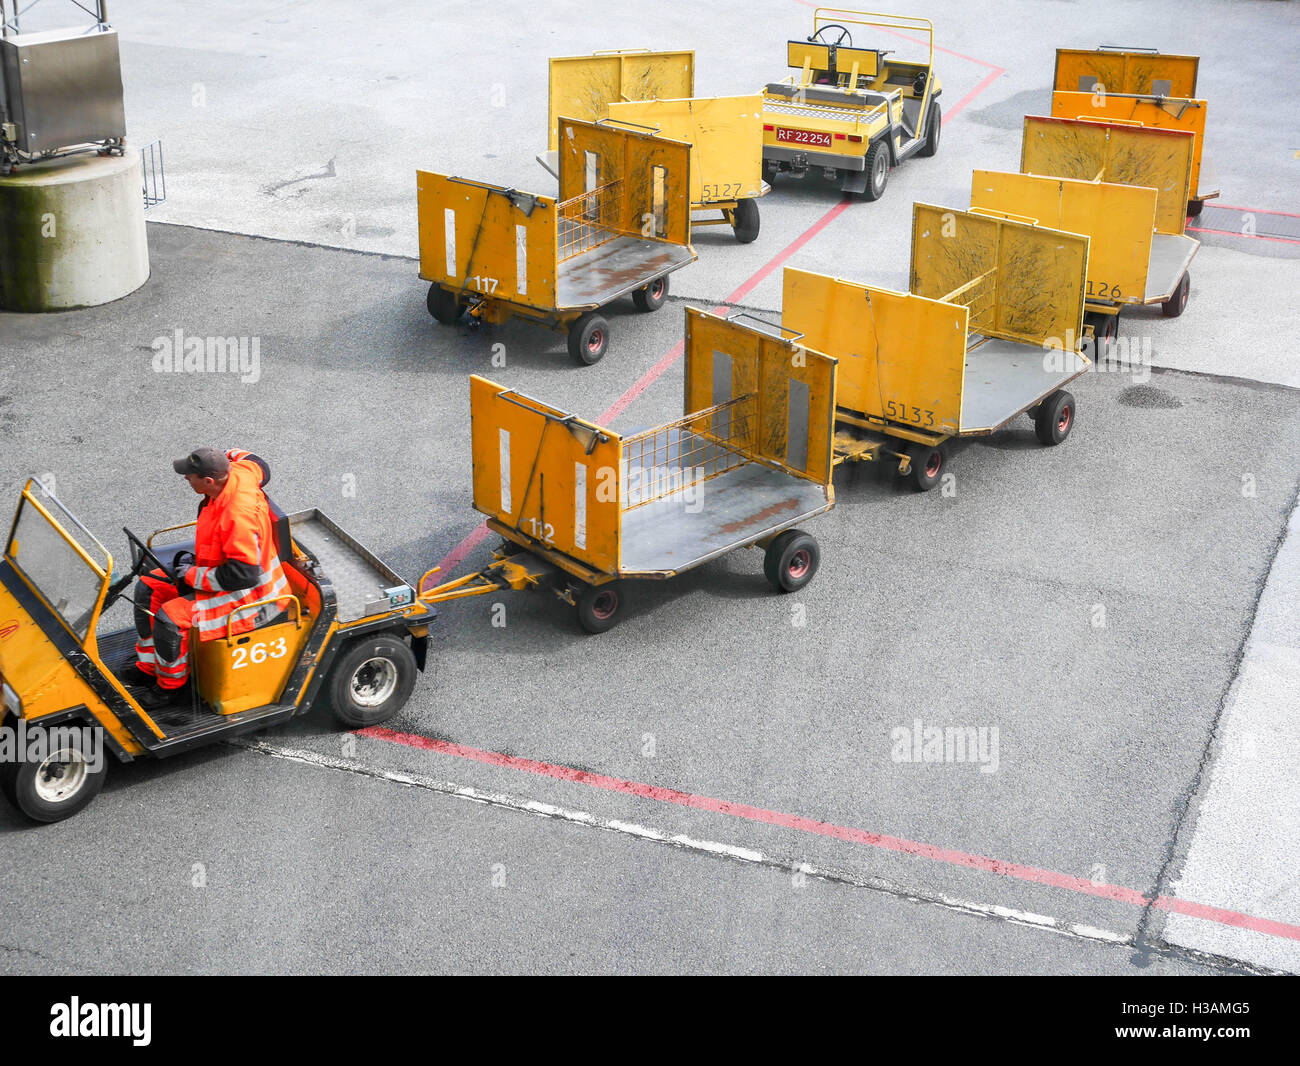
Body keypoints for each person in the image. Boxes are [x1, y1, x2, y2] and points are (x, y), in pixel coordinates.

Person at [129, 447, 291, 710]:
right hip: (227, 578)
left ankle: (169, 688)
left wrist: (192, 576)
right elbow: (257, 461)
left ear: (209, 482)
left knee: (169, 618)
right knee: (148, 587)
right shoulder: (241, 472)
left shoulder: (236, 517)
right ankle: (149, 667)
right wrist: (225, 453)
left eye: (190, 476)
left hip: (252, 598)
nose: (186, 479)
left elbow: (244, 574)